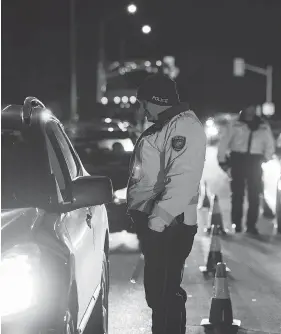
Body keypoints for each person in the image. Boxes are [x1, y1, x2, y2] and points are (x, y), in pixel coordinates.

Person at [126, 74, 206, 334]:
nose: (142, 108)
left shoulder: (182, 127)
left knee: (164, 292)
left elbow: (182, 179)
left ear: (157, 100)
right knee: (159, 292)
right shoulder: (166, 125)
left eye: (144, 102)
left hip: (170, 223)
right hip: (161, 222)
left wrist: (157, 221)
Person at [217, 104, 275, 235]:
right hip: (238, 160)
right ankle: (237, 224)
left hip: (255, 162)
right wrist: (223, 162)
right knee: (237, 195)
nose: (251, 110)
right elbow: (224, 143)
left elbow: (269, 144)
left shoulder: (263, 126)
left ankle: (251, 226)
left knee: (254, 196)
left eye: (253, 107)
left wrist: (265, 158)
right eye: (248, 107)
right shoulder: (234, 124)